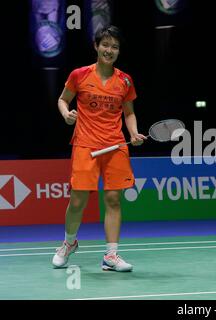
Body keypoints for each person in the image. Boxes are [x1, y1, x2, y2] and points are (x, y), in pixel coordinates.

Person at [52, 26, 147, 272]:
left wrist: (134, 133)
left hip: (115, 145)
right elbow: (63, 99)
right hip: (85, 143)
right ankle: (69, 243)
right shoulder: (79, 75)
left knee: (114, 199)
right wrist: (66, 114)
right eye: (105, 45)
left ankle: (110, 256)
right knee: (77, 200)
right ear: (96, 46)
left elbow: (129, 112)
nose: (110, 50)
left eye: (114, 47)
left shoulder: (125, 80)